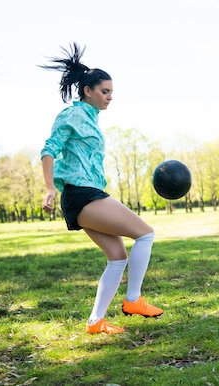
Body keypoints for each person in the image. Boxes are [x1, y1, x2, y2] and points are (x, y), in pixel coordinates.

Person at [39, 43, 162, 335]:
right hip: (82, 194)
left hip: (87, 192)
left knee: (117, 257)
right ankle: (133, 300)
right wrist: (49, 188)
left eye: (111, 93)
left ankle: (96, 322)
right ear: (87, 91)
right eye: (105, 92)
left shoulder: (91, 119)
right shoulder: (72, 115)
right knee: (145, 233)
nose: (109, 98)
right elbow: (48, 150)